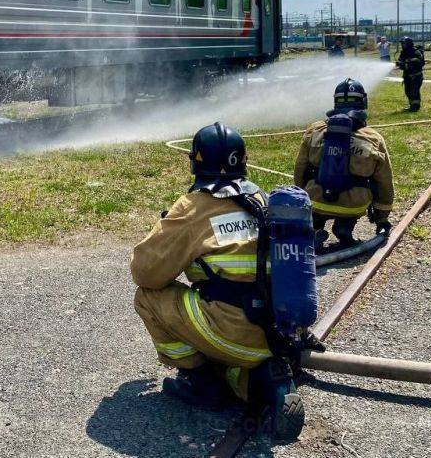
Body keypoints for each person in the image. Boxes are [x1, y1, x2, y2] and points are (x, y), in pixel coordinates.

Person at [131, 123, 309, 441]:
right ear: (243, 161)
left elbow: (145, 273)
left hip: (233, 331)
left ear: (195, 163)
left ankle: (200, 381)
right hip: (277, 333)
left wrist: (166, 231)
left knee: (147, 297)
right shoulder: (260, 198)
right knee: (239, 365)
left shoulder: (193, 207)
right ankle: (269, 382)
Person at [293, 79, 395, 252]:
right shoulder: (374, 138)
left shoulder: (314, 131)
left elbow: (300, 169)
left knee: (316, 203)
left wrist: (303, 200)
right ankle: (344, 227)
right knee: (359, 192)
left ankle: (315, 229)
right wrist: (381, 218)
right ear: (363, 101)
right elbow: (384, 181)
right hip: (354, 205)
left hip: (315, 201)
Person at [396, 37, 426, 112]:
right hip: (407, 76)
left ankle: (416, 107)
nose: (402, 45)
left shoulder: (416, 52)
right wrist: (400, 64)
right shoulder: (403, 52)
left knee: (414, 91)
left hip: (416, 76)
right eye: (402, 43)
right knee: (408, 91)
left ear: (408, 44)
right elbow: (401, 61)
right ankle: (411, 105)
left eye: (404, 43)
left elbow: (421, 63)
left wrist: (408, 62)